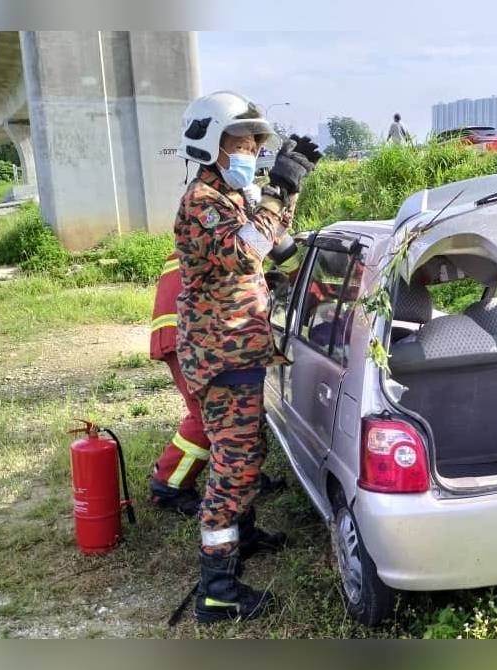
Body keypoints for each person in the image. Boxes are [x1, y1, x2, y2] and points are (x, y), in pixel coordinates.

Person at [174, 90, 321, 624]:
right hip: (222, 352)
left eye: (256, 143)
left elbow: (272, 244)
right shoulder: (201, 203)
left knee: (247, 448)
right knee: (233, 469)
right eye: (240, 142)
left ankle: (245, 535)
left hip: (240, 346)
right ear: (212, 144)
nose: (250, 152)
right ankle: (218, 591)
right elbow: (242, 252)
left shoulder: (230, 197)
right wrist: (278, 189)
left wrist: (289, 194)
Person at [147, 249, 287, 517]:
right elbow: (282, 253)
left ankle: (243, 480)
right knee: (207, 415)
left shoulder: (215, 235)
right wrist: (295, 270)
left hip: (198, 332)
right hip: (190, 336)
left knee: (240, 417)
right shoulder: (237, 235)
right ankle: (168, 484)